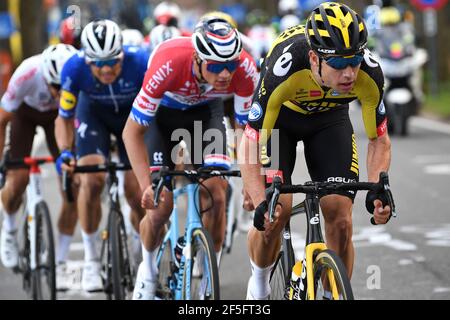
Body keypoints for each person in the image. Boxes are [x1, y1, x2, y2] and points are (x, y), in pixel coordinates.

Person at [239, 2, 392, 300]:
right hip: (280, 120)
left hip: (329, 120)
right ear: (313, 58)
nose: (348, 73)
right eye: (337, 64)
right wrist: (258, 197)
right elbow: (251, 139)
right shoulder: (284, 68)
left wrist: (377, 185)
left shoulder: (370, 73)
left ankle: (332, 294)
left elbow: (379, 139)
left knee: (340, 216)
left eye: (355, 60)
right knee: (276, 209)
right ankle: (258, 287)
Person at [122, 18, 257, 300]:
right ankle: (146, 273)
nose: (224, 74)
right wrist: (147, 185)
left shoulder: (244, 68)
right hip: (163, 118)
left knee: (217, 193)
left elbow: (247, 131)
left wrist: (251, 181)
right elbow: (131, 133)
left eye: (229, 65)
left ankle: (209, 279)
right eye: (216, 66)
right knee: (160, 207)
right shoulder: (169, 62)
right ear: (198, 58)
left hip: (206, 114)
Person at [55, 19, 149, 292]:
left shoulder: (141, 62)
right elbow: (64, 117)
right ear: (87, 60)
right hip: (93, 116)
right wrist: (64, 151)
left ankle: (141, 247)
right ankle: (92, 260)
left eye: (112, 61)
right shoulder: (73, 68)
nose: (106, 69)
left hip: (132, 120)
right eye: (98, 63)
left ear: (122, 54)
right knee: (92, 180)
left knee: (136, 190)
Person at [0, 44, 78, 291]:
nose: (59, 91)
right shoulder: (27, 73)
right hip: (25, 114)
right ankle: (10, 231)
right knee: (18, 179)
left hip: (61, 118)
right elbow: (2, 119)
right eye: (55, 86)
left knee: (72, 185)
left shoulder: (76, 74)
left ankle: (61, 260)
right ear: (45, 76)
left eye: (63, 86)